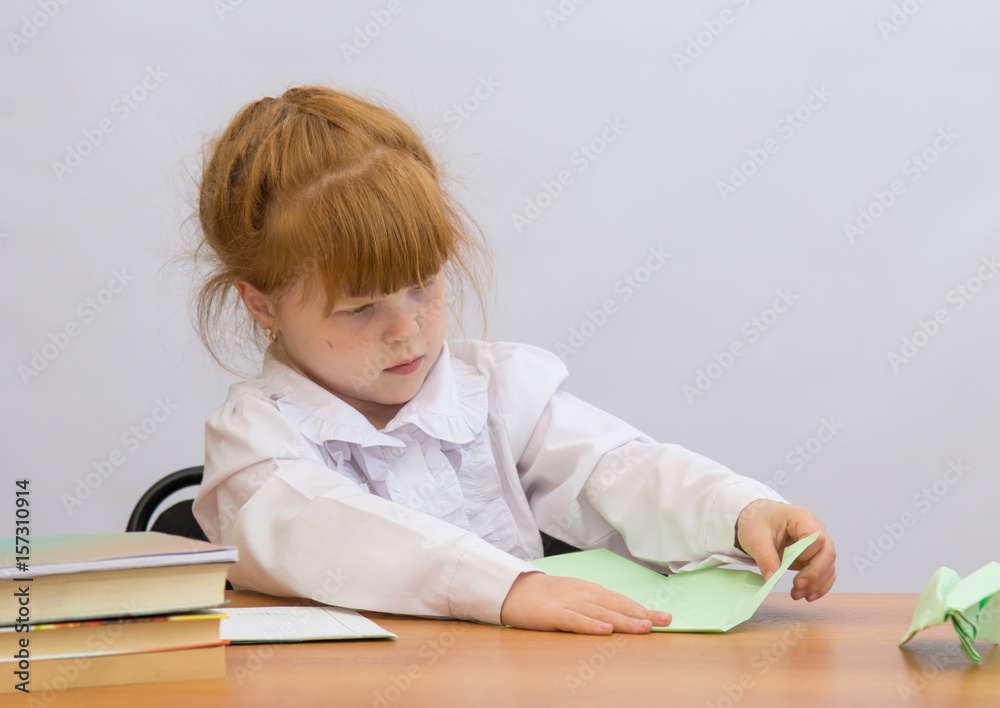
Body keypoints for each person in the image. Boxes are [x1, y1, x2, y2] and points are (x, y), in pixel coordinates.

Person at [190, 85, 836, 635]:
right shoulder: (255, 443)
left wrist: (741, 511)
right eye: (360, 308)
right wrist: (506, 588)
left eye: (425, 284)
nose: (407, 329)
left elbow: (614, 471)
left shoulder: (495, 391)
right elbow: (325, 529)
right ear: (263, 304)